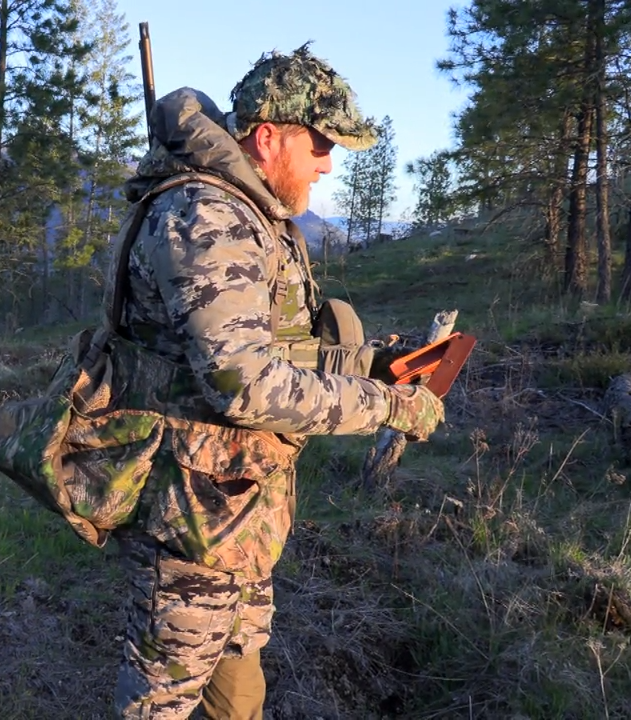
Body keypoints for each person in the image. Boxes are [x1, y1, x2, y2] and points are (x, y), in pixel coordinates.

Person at [106, 46, 444, 719]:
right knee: (160, 702)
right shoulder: (208, 218)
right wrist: (386, 404)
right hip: (192, 523)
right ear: (268, 137)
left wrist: (374, 363)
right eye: (321, 144)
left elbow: (279, 348)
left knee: (237, 694)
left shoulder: (257, 216)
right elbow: (244, 384)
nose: (328, 162)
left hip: (243, 514)